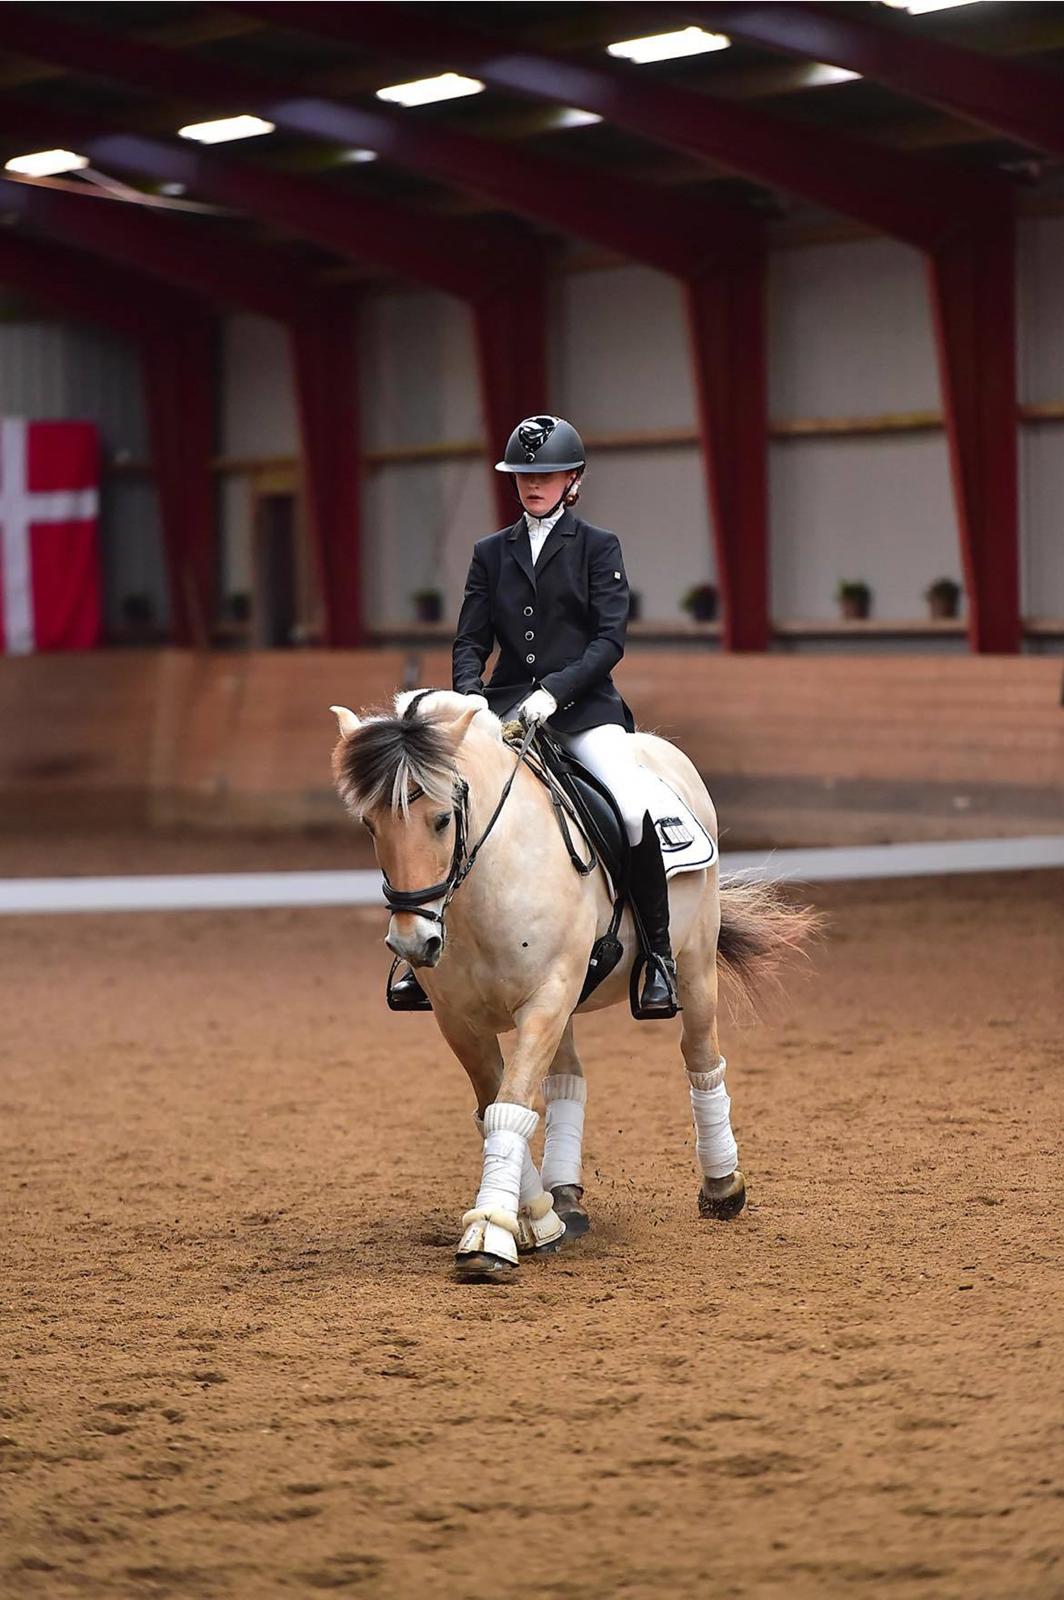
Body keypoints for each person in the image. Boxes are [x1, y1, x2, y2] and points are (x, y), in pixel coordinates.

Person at [390, 414, 678, 1019]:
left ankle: (658, 957)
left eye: (545, 474)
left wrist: (554, 691)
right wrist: (470, 697)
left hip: (582, 708)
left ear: (573, 479)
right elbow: (470, 641)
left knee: (630, 807)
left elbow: (609, 641)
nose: (532, 485)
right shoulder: (490, 553)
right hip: (500, 710)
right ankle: (415, 959)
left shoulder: (599, 547)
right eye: (523, 474)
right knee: (439, 805)